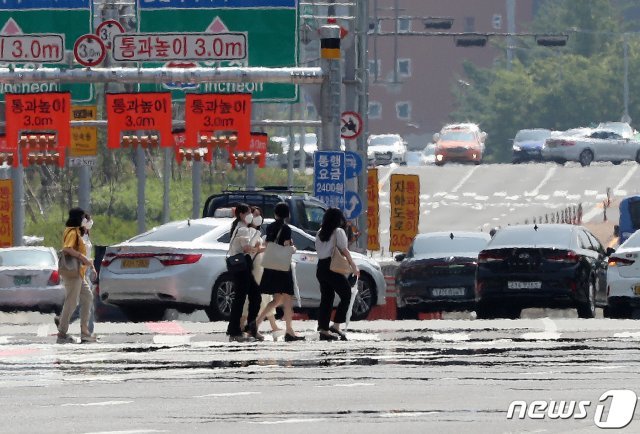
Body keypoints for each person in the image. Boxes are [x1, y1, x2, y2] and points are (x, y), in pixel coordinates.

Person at [255, 202, 305, 342]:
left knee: (277, 299)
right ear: (287, 214)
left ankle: (256, 323)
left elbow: (268, 244)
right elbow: (287, 246)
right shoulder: (287, 229)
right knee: (287, 297)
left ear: (276, 213)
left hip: (271, 266)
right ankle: (289, 330)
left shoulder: (270, 227)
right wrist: (293, 248)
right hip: (283, 267)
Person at [314, 207, 359, 341]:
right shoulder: (338, 231)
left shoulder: (320, 232)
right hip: (331, 267)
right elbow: (344, 250)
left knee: (326, 298)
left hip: (321, 267)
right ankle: (336, 325)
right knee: (346, 294)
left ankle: (323, 329)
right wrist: (354, 266)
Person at [240, 206, 282, 337]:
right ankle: (250, 325)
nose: (257, 217)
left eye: (259, 215)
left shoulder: (255, 231)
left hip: (260, 267)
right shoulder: (248, 231)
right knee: (257, 297)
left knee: (262, 297)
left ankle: (250, 325)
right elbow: (250, 249)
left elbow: (258, 248)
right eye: (254, 214)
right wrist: (264, 247)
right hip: (254, 268)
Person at [57, 207, 96, 344]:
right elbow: (67, 249)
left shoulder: (77, 232)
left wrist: (89, 264)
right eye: (83, 217)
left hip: (79, 273)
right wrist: (82, 257)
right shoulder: (72, 232)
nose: (85, 220)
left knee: (87, 297)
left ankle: (85, 332)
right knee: (71, 302)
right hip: (73, 272)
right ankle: (62, 333)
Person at [226, 203, 263, 342]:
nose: (251, 216)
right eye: (248, 213)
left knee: (253, 296)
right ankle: (235, 330)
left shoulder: (240, 227)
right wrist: (257, 236)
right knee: (241, 299)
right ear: (241, 214)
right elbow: (247, 248)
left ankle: (248, 327)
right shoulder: (242, 229)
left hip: (241, 266)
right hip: (241, 266)